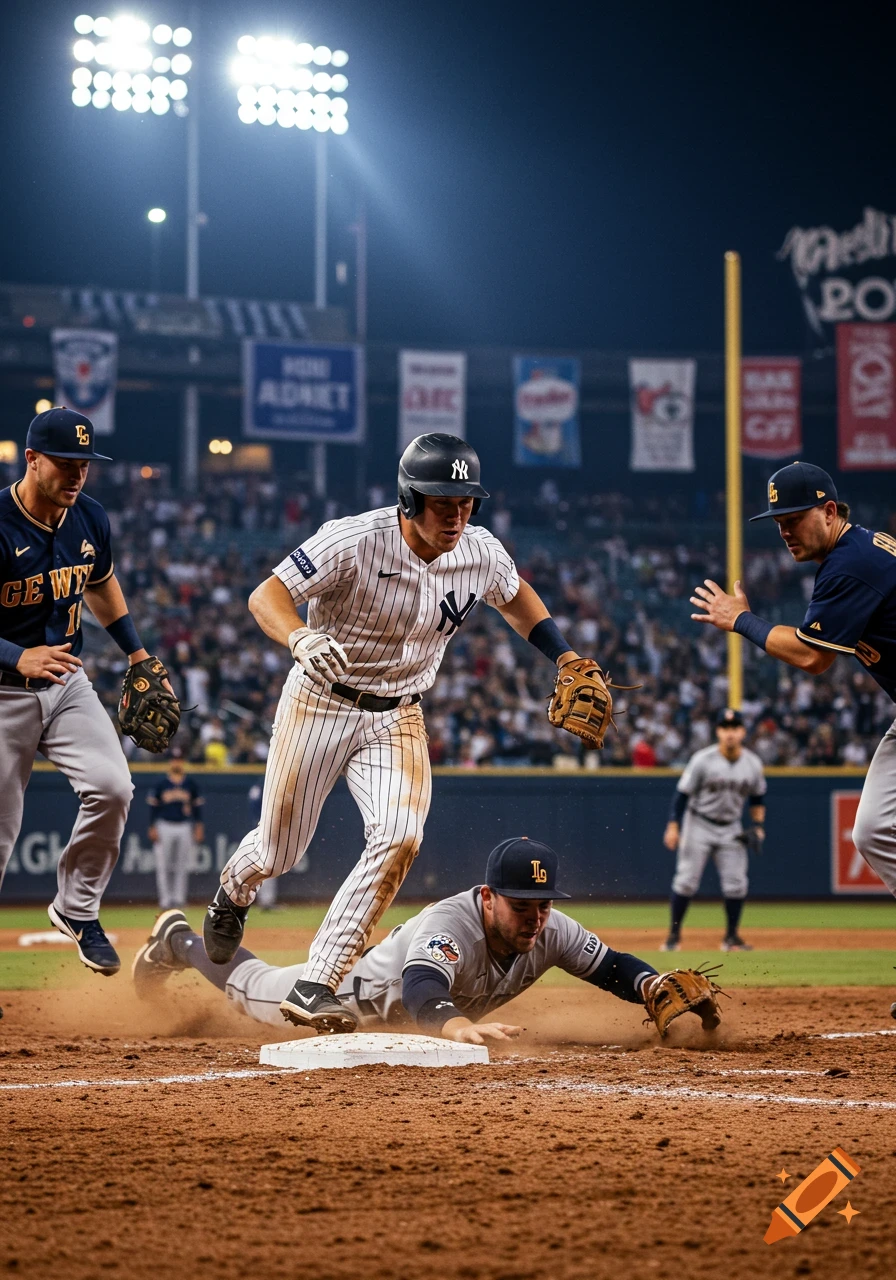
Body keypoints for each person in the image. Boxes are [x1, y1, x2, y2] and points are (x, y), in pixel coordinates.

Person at [202, 434, 607, 1034]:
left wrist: (565, 655)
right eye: (444, 502)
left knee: (400, 835)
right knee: (279, 852)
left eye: (467, 502)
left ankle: (318, 981)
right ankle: (232, 892)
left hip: (399, 713)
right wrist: (299, 637)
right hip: (321, 703)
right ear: (410, 499)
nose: (458, 515)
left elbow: (517, 597)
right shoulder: (353, 539)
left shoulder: (480, 551)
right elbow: (268, 596)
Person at [134, 837, 720, 1042]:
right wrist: (458, 1027)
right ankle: (179, 940)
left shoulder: (548, 926)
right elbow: (421, 988)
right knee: (253, 986)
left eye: (544, 905)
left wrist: (649, 984)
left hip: (393, 1010)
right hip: (342, 998)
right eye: (522, 906)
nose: (536, 918)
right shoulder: (452, 923)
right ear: (488, 897)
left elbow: (609, 965)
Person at [690, 462, 896, 1004]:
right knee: (873, 831)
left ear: (830, 511)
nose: (783, 529)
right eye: (777, 518)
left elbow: (810, 656)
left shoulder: (852, 562)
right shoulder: (856, 552)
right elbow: (824, 661)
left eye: (794, 516)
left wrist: (743, 621)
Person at [0, 408, 159, 975]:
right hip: (4, 693)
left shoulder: (89, 517)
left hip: (66, 681)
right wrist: (17, 654)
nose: (76, 475)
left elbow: (101, 583)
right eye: (65, 464)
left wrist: (137, 653)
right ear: (32, 459)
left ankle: (76, 908)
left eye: (84, 465)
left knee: (114, 787)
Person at [660, 708, 766, 952]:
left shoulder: (752, 764)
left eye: (735, 728)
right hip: (698, 823)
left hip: (731, 826)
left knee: (736, 883)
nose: (730, 733)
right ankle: (673, 936)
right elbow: (682, 795)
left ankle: (731, 937)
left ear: (742, 731)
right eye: (725, 728)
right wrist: (673, 826)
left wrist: (758, 826)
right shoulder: (702, 760)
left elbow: (758, 799)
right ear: (718, 732)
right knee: (686, 881)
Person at [147, 750, 204, 909]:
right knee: (163, 865)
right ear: (170, 762)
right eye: (174, 759)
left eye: (179, 759)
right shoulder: (161, 783)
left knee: (181, 865)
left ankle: (178, 899)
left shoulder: (190, 783)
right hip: (164, 825)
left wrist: (199, 826)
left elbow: (197, 808)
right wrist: (152, 826)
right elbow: (153, 807)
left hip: (185, 826)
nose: (177, 762)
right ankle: (165, 901)